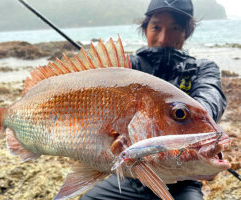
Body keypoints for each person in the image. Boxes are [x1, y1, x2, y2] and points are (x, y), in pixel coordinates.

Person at [80, 0, 226, 199]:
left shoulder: (203, 68)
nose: (164, 38)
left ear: (186, 32)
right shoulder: (127, 67)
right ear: (145, 29)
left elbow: (211, 97)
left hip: (181, 181)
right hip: (128, 175)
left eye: (175, 28)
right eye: (156, 27)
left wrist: (188, 117)